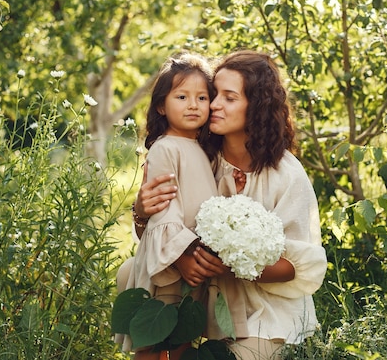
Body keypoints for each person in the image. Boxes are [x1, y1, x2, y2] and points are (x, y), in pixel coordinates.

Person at [135, 50, 328, 360]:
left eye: (229, 98)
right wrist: (142, 211)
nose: (212, 105)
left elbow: (293, 267)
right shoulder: (198, 155)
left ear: (257, 108)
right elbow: (157, 230)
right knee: (131, 272)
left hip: (265, 306)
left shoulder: (286, 174)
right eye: (214, 95)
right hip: (202, 293)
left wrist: (231, 265)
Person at [115, 52, 222, 360]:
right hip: (170, 263)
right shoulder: (165, 148)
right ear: (162, 105)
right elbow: (164, 211)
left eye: (202, 97)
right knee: (152, 342)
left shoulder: (203, 150)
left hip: (193, 264)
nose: (193, 104)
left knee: (180, 341)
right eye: (182, 96)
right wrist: (184, 256)